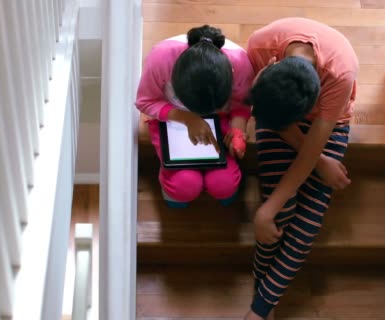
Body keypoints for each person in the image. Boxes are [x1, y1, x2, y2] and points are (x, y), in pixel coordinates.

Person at [243, 18, 359, 320]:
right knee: (280, 209)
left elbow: (310, 149)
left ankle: (260, 305)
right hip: (274, 109)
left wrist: (264, 211)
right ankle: (263, 302)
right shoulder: (259, 46)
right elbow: (267, 115)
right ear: (270, 67)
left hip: (328, 124)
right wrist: (268, 210)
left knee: (308, 219)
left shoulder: (340, 74)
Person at [135, 25, 254, 208]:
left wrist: (238, 129)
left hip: (219, 121)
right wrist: (187, 118)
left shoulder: (238, 62)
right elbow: (146, 102)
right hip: (171, 119)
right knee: (183, 186)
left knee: (224, 185)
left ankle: (219, 188)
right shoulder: (161, 58)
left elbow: (242, 103)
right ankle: (175, 186)